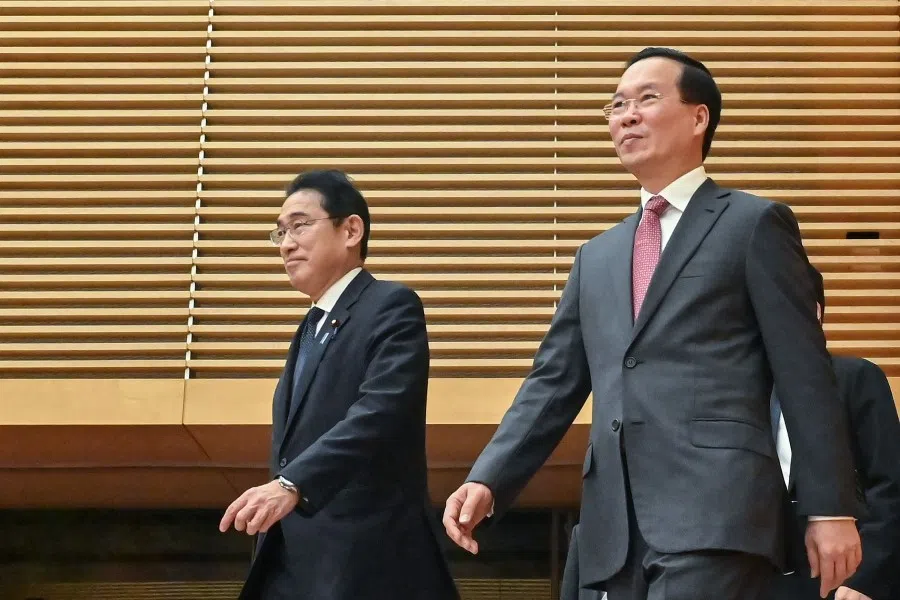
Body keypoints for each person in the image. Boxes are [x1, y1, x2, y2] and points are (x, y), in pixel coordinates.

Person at [442, 47, 861, 600]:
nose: (626, 115)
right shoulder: (597, 256)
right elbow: (552, 383)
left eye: (646, 98)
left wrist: (830, 507)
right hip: (613, 528)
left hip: (718, 514)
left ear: (698, 117)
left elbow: (805, 374)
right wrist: (488, 477)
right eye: (616, 105)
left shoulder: (753, 224)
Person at [219, 170, 458, 600]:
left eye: (299, 225)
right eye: (279, 233)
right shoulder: (308, 329)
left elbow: (379, 413)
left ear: (350, 230)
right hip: (292, 566)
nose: (286, 244)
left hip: (367, 563)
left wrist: (291, 485)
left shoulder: (390, 305)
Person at [770, 265, 900, 600]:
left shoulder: (857, 378)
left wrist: (868, 578)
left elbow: (890, 485)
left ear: (815, 312)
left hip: (843, 575)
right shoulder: (739, 392)